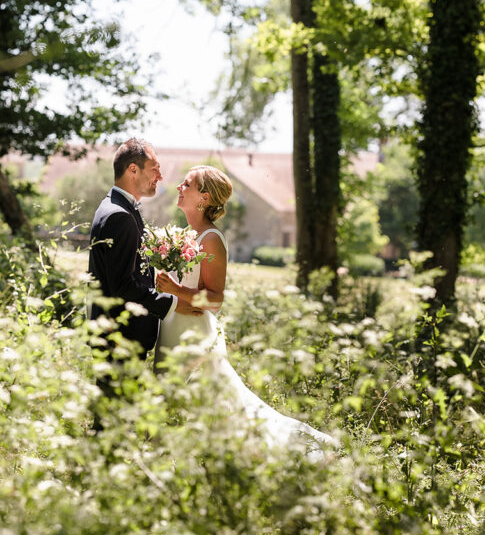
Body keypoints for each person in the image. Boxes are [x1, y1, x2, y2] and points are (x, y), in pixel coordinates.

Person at [153, 165, 335, 456]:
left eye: (187, 184)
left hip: (194, 336)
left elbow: (214, 300)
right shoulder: (188, 235)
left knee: (210, 405)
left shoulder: (211, 239)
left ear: (204, 197)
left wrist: (175, 290)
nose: (179, 187)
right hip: (174, 328)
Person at [88, 139, 204, 416]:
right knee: (113, 421)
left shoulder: (118, 208)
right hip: (119, 336)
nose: (160, 177)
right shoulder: (119, 216)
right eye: (155, 168)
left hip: (116, 334)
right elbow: (122, 285)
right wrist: (173, 303)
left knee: (115, 418)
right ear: (133, 170)